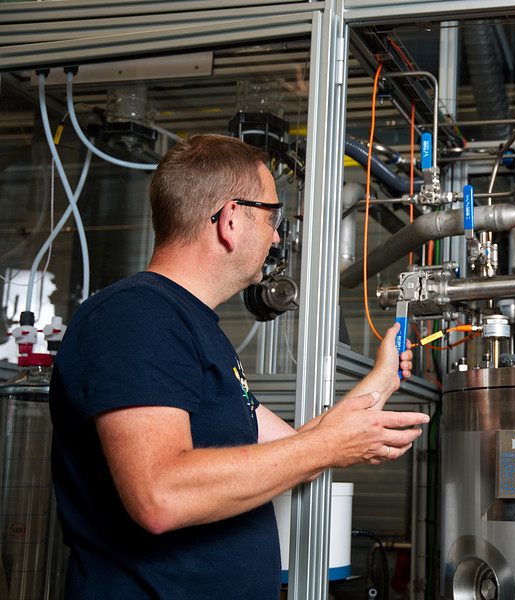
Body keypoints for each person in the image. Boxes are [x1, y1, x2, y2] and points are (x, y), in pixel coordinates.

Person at [49, 134, 429, 599]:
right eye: (272, 218)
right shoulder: (135, 317)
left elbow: (298, 451)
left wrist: (382, 378)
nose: (275, 236)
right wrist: (330, 446)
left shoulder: (193, 327)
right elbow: (160, 496)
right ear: (230, 219)